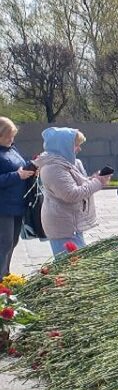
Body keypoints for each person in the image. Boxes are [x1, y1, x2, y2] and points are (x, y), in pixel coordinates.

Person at [35, 127, 107, 256]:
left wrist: (93, 179)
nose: (79, 149)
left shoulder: (64, 162)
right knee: (70, 267)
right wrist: (98, 182)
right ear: (63, 146)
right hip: (63, 226)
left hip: (70, 222)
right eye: (76, 145)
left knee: (77, 265)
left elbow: (77, 184)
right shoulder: (53, 167)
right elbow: (71, 194)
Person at [0, 118, 33, 276]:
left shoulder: (12, 149)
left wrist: (31, 169)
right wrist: (17, 175)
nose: (11, 139)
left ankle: (5, 276)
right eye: (7, 136)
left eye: (12, 136)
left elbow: (21, 165)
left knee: (12, 242)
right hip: (3, 207)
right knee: (4, 243)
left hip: (17, 204)